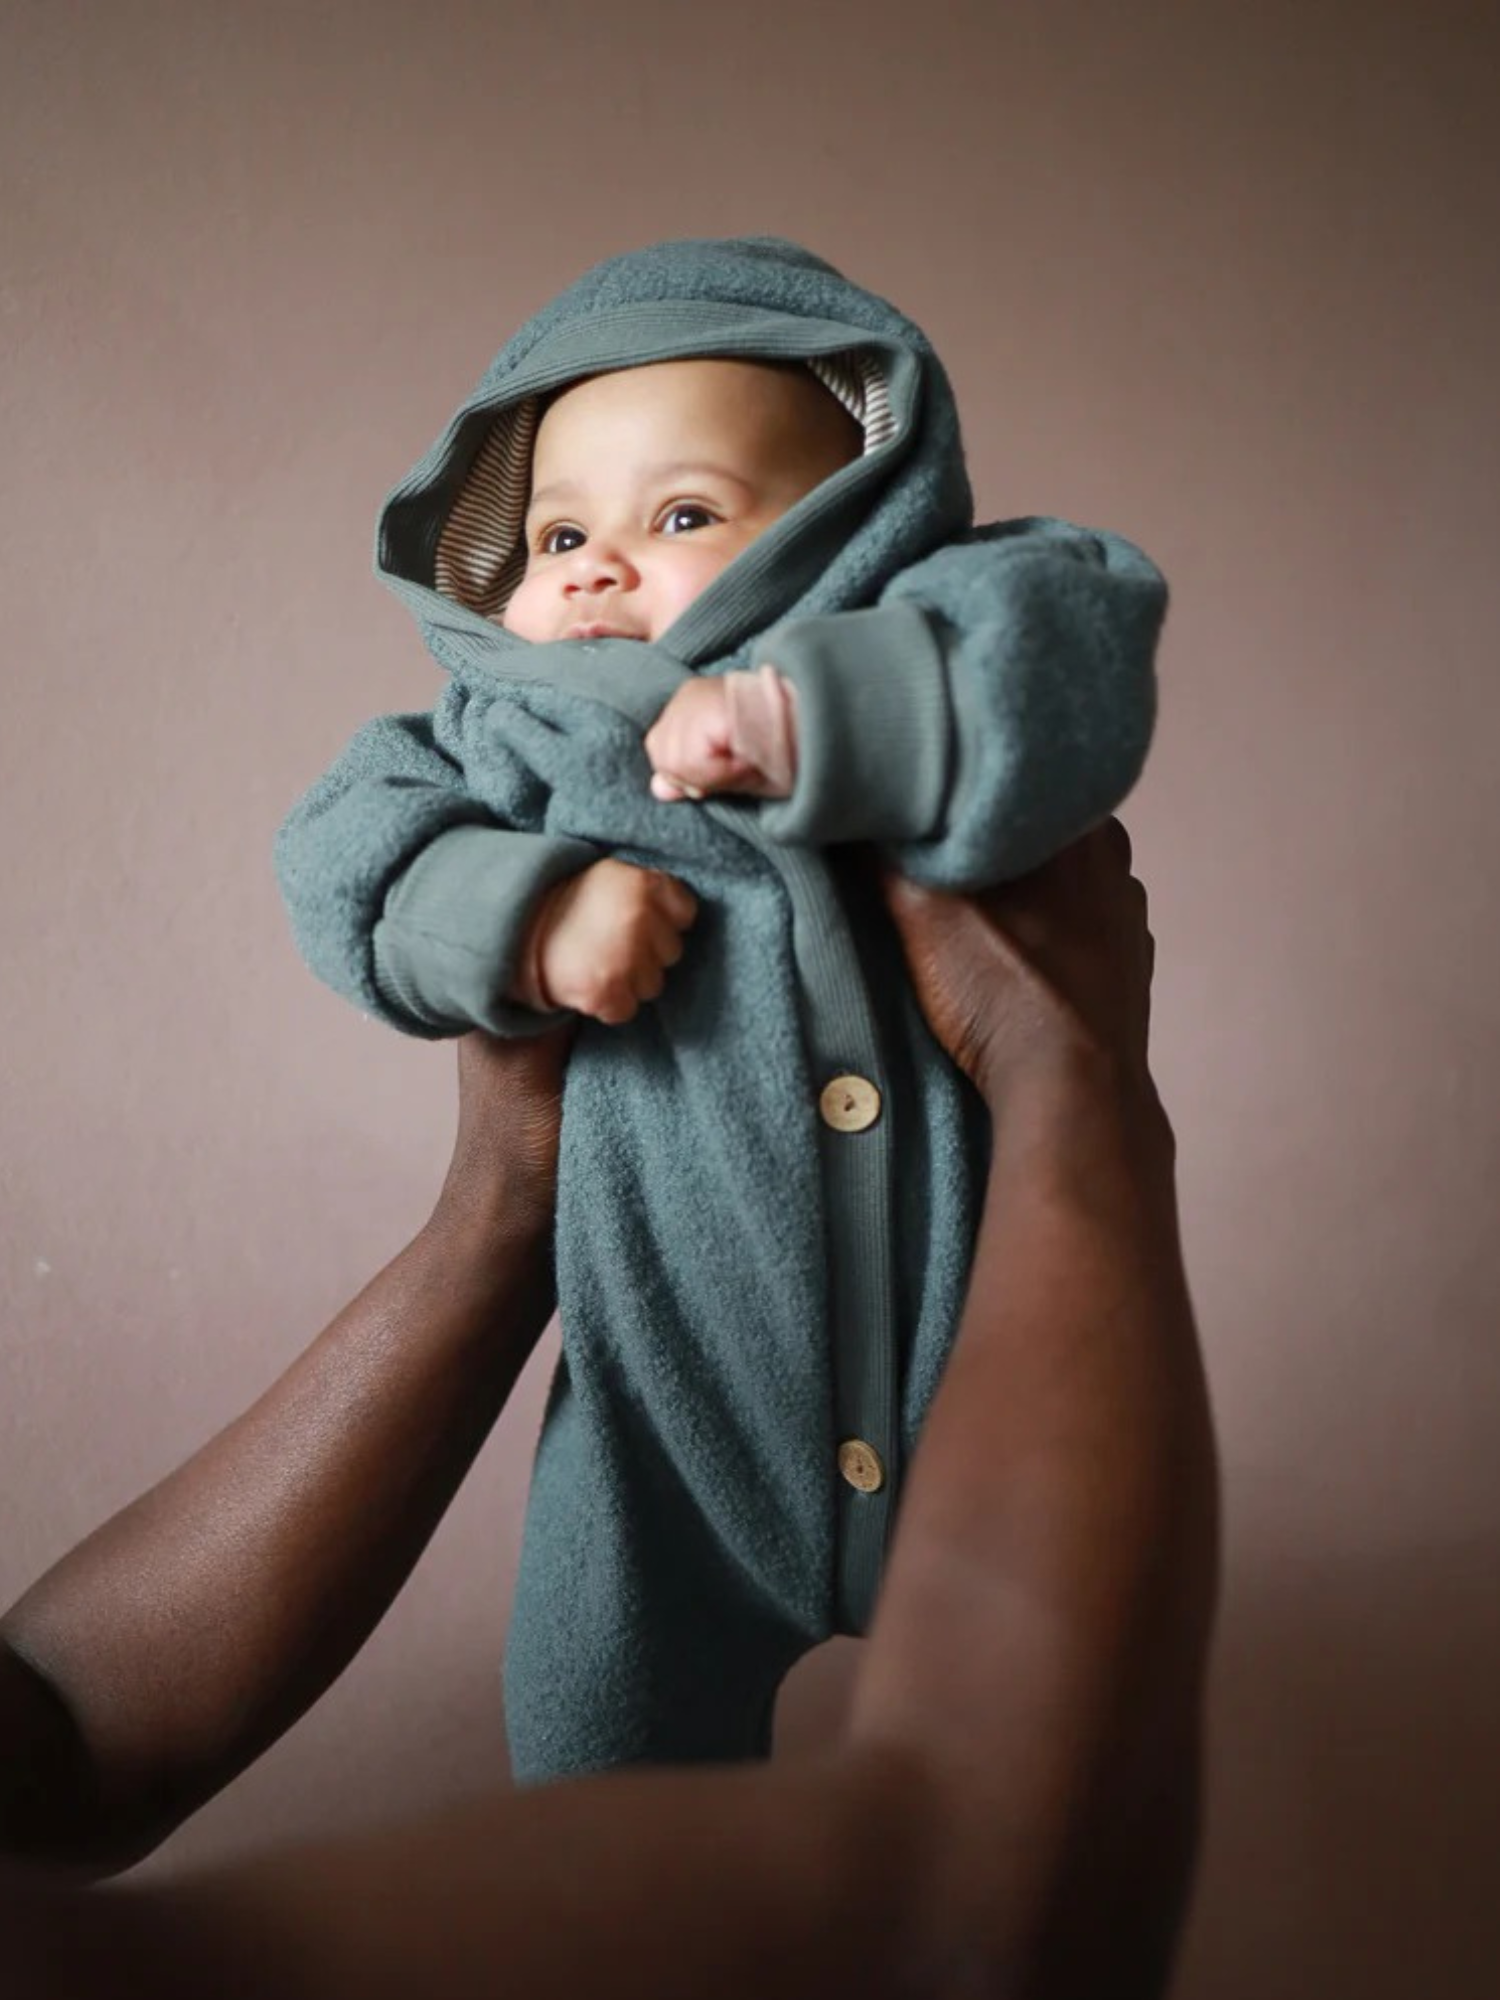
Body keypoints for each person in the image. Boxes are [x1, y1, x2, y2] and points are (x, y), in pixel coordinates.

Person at [1, 825, 1216, 1998]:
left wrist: (504, 1202)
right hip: (663, 1509)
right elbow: (986, 1909)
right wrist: (1073, 1068)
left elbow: (58, 1731)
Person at [274, 235, 1169, 1782]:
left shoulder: (934, 614)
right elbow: (340, 847)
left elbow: (1073, 642)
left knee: (1042, 1787)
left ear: (844, 518)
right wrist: (526, 912)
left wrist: (812, 712)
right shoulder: (513, 734)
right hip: (664, 1439)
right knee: (587, 1756)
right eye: (555, 532)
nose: (596, 565)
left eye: (682, 514)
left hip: (988, 1393)